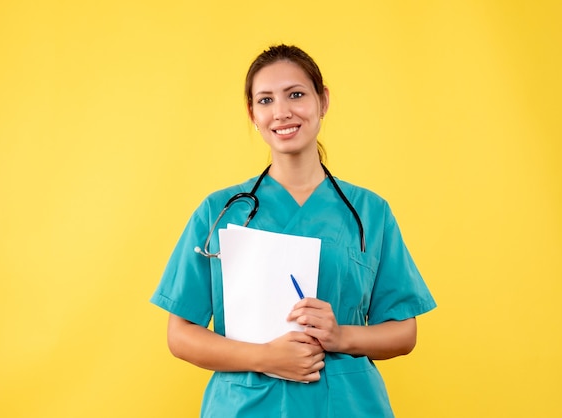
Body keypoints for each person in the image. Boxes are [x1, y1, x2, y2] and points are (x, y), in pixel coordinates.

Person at [150, 44, 436, 417]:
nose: (282, 112)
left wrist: (341, 336)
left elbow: (403, 333)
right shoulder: (220, 212)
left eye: (296, 95)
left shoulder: (370, 212)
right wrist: (266, 356)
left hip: (346, 405)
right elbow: (181, 335)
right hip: (246, 406)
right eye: (265, 100)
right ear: (252, 113)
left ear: (323, 101)